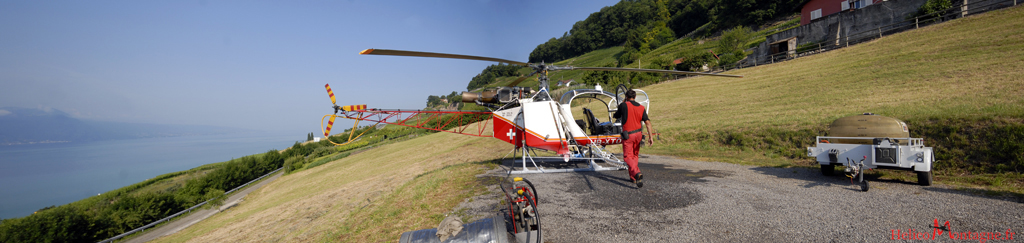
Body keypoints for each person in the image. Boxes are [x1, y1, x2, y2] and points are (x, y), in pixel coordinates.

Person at [613, 89, 656, 188]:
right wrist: (650, 137)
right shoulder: (641, 107)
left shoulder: (624, 105)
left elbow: (616, 115)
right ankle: (633, 178)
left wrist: (623, 102)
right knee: (635, 156)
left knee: (627, 157)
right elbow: (648, 123)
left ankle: (637, 173)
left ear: (626, 97)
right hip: (638, 134)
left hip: (628, 135)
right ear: (635, 97)